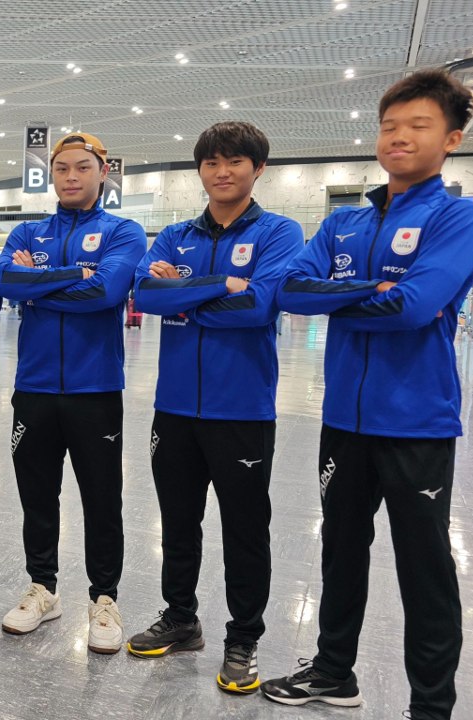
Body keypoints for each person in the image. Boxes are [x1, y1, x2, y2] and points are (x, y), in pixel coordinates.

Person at [265, 69, 473, 720]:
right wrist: (373, 292)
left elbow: (414, 307)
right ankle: (334, 673)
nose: (399, 138)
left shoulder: (458, 219)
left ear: (452, 139)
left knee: (424, 567)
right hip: (343, 420)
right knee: (340, 552)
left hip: (417, 423)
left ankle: (431, 707)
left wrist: (340, 297)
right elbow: (289, 291)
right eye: (390, 126)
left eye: (419, 126)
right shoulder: (344, 224)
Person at [128, 121, 303, 693]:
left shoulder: (280, 232)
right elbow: (145, 296)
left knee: (245, 529)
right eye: (211, 162)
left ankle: (244, 637)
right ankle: (181, 617)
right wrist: (223, 284)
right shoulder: (174, 234)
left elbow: (258, 307)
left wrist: (184, 293)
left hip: (242, 410)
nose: (222, 172)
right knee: (178, 522)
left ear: (258, 168)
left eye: (235, 161)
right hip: (175, 408)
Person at [0, 132, 145, 652]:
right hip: (33, 388)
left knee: (102, 499)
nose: (71, 176)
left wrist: (39, 285)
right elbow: (6, 284)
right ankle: (43, 588)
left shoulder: (124, 232)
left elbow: (106, 291)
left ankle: (105, 597)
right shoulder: (27, 230)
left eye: (82, 167)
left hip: (94, 389)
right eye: (62, 168)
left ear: (103, 172)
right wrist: (73, 275)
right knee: (37, 496)